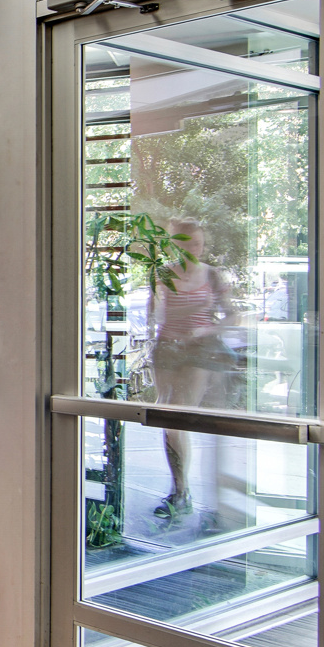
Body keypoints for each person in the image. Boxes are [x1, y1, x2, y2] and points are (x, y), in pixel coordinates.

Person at [147, 217, 229, 528]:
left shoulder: (213, 275)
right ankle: (179, 490)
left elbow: (232, 315)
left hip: (198, 351)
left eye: (198, 243)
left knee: (181, 416)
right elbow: (153, 313)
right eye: (187, 243)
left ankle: (183, 492)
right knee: (168, 419)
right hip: (167, 348)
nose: (194, 249)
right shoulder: (162, 273)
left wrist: (204, 327)